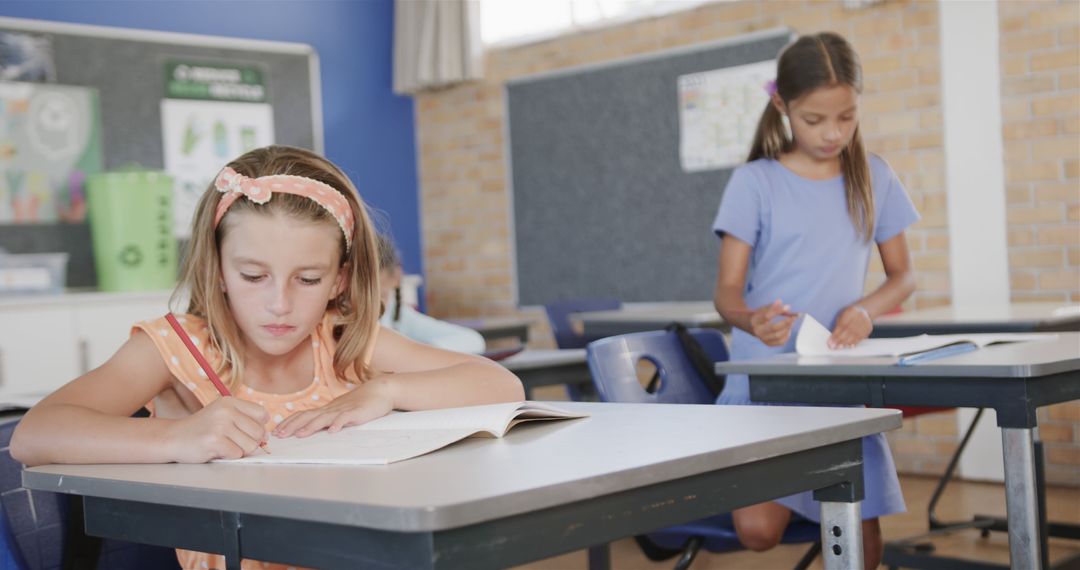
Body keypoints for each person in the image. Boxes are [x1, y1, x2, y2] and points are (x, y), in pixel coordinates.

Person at [11, 145, 524, 570]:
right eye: (254, 276)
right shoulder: (177, 348)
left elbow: (501, 385)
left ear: (340, 279)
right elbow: (34, 434)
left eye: (308, 279)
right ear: (217, 268)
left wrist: (385, 390)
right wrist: (177, 436)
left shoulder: (341, 340)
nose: (280, 303)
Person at [712, 32, 918, 568]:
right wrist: (751, 321)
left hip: (835, 382)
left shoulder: (874, 176)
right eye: (814, 120)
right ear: (782, 105)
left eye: (846, 117)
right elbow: (726, 293)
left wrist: (865, 309)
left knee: (861, 549)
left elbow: (903, 276)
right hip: (764, 379)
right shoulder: (754, 182)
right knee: (757, 531)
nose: (832, 133)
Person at [376, 233, 487, 354]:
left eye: (381, 296)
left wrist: (421, 354)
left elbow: (473, 340)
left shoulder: (398, 315)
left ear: (397, 277)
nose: (373, 308)